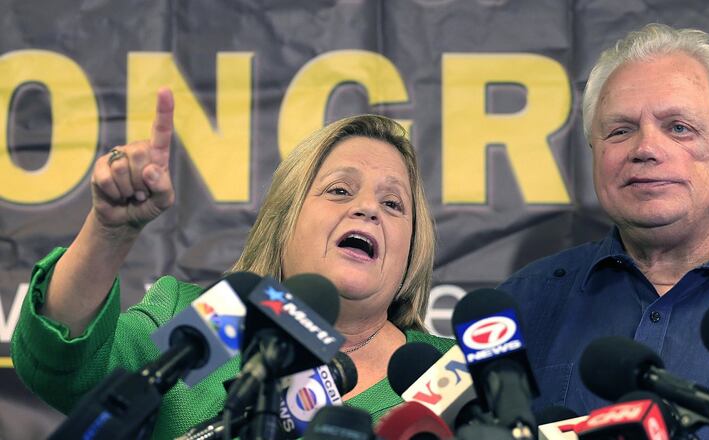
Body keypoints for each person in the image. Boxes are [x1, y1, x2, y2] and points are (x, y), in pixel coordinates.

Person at [10, 89, 454, 439]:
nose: (368, 210)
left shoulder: (445, 375)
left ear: (411, 248)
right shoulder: (217, 321)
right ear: (285, 221)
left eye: (393, 203)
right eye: (340, 190)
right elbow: (68, 366)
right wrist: (110, 232)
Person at [499, 23, 709, 439]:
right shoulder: (519, 306)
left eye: (678, 127)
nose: (646, 149)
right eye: (620, 130)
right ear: (594, 153)